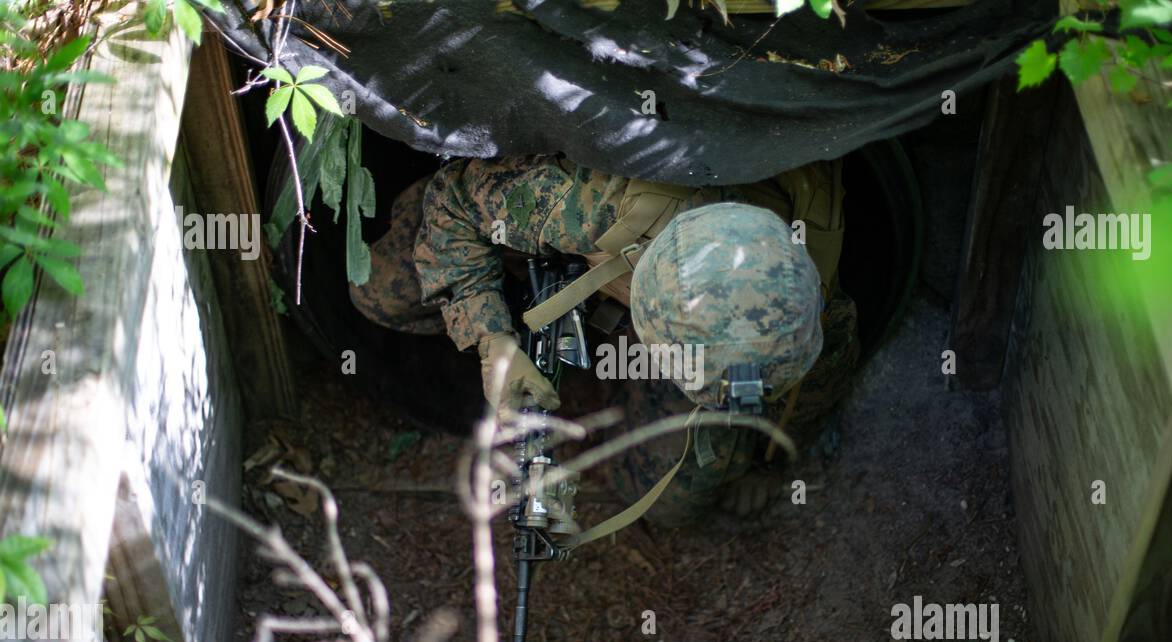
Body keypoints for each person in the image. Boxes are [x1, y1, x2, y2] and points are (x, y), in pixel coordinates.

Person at [351, 154, 861, 525]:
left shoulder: (801, 296)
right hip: (569, 234)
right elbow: (456, 199)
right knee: (378, 289)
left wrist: (769, 467)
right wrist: (491, 337)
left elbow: (810, 392)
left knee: (672, 504)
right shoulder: (580, 200)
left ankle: (621, 396)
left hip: (633, 288)